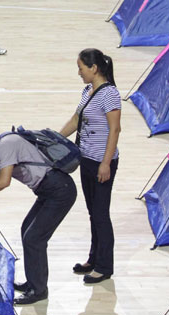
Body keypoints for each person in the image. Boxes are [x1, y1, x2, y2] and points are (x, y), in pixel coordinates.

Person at [0, 118, 77, 305]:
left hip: (59, 190)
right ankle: (33, 282)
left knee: (34, 238)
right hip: (49, 190)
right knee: (27, 230)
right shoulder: (0, 149)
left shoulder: (6, 145)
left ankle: (38, 291)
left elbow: (3, 182)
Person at [59, 48, 121, 284]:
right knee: (92, 212)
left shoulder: (110, 94)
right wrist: (54, 138)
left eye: (81, 68)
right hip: (86, 159)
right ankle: (94, 259)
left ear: (93, 68)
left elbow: (115, 130)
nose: (79, 72)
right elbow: (76, 120)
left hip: (102, 163)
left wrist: (105, 163)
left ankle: (105, 266)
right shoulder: (88, 91)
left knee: (101, 213)